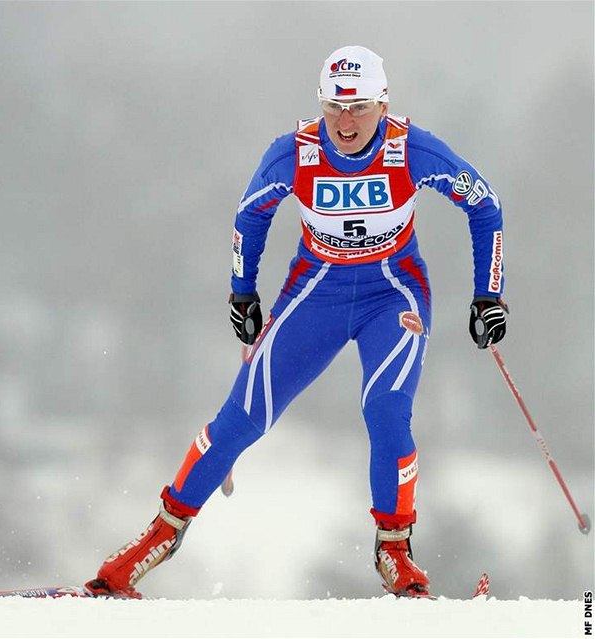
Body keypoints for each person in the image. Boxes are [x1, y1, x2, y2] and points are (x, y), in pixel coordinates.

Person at [85, 45, 507, 599]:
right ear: (321, 105)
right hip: (315, 295)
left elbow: (485, 205)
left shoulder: (412, 149)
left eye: (358, 107)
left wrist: (488, 294)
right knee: (241, 419)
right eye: (335, 106)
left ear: (383, 103)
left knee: (385, 411)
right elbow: (249, 215)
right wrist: (243, 292)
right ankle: (154, 542)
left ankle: (395, 551)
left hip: (393, 294)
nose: (346, 121)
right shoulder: (296, 153)